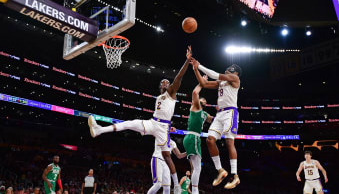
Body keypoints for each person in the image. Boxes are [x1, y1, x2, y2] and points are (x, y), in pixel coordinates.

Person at [88, 46, 193, 194]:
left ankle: (176, 185)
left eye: (166, 82)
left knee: (167, 156)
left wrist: (187, 61)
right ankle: (100, 129)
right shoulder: (159, 97)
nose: (164, 83)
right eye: (162, 82)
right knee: (130, 123)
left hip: (163, 127)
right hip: (153, 122)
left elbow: (178, 78)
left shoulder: (171, 94)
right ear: (160, 86)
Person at [190, 58, 241, 189]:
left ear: (234, 72)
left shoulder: (235, 79)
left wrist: (199, 65)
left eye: (230, 68)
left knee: (229, 142)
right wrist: (195, 69)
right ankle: (220, 170)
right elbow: (204, 83)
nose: (227, 69)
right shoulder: (222, 82)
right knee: (210, 140)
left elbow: (214, 74)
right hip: (220, 114)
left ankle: (235, 176)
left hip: (230, 112)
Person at [182, 79, 213, 194]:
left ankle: (194, 189)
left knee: (195, 167)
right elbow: (195, 93)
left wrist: (221, 112)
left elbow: (211, 120)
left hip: (194, 139)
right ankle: (195, 190)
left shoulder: (205, 114)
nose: (203, 100)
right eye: (202, 99)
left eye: (205, 100)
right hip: (192, 137)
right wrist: (202, 82)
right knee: (197, 168)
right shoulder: (195, 107)